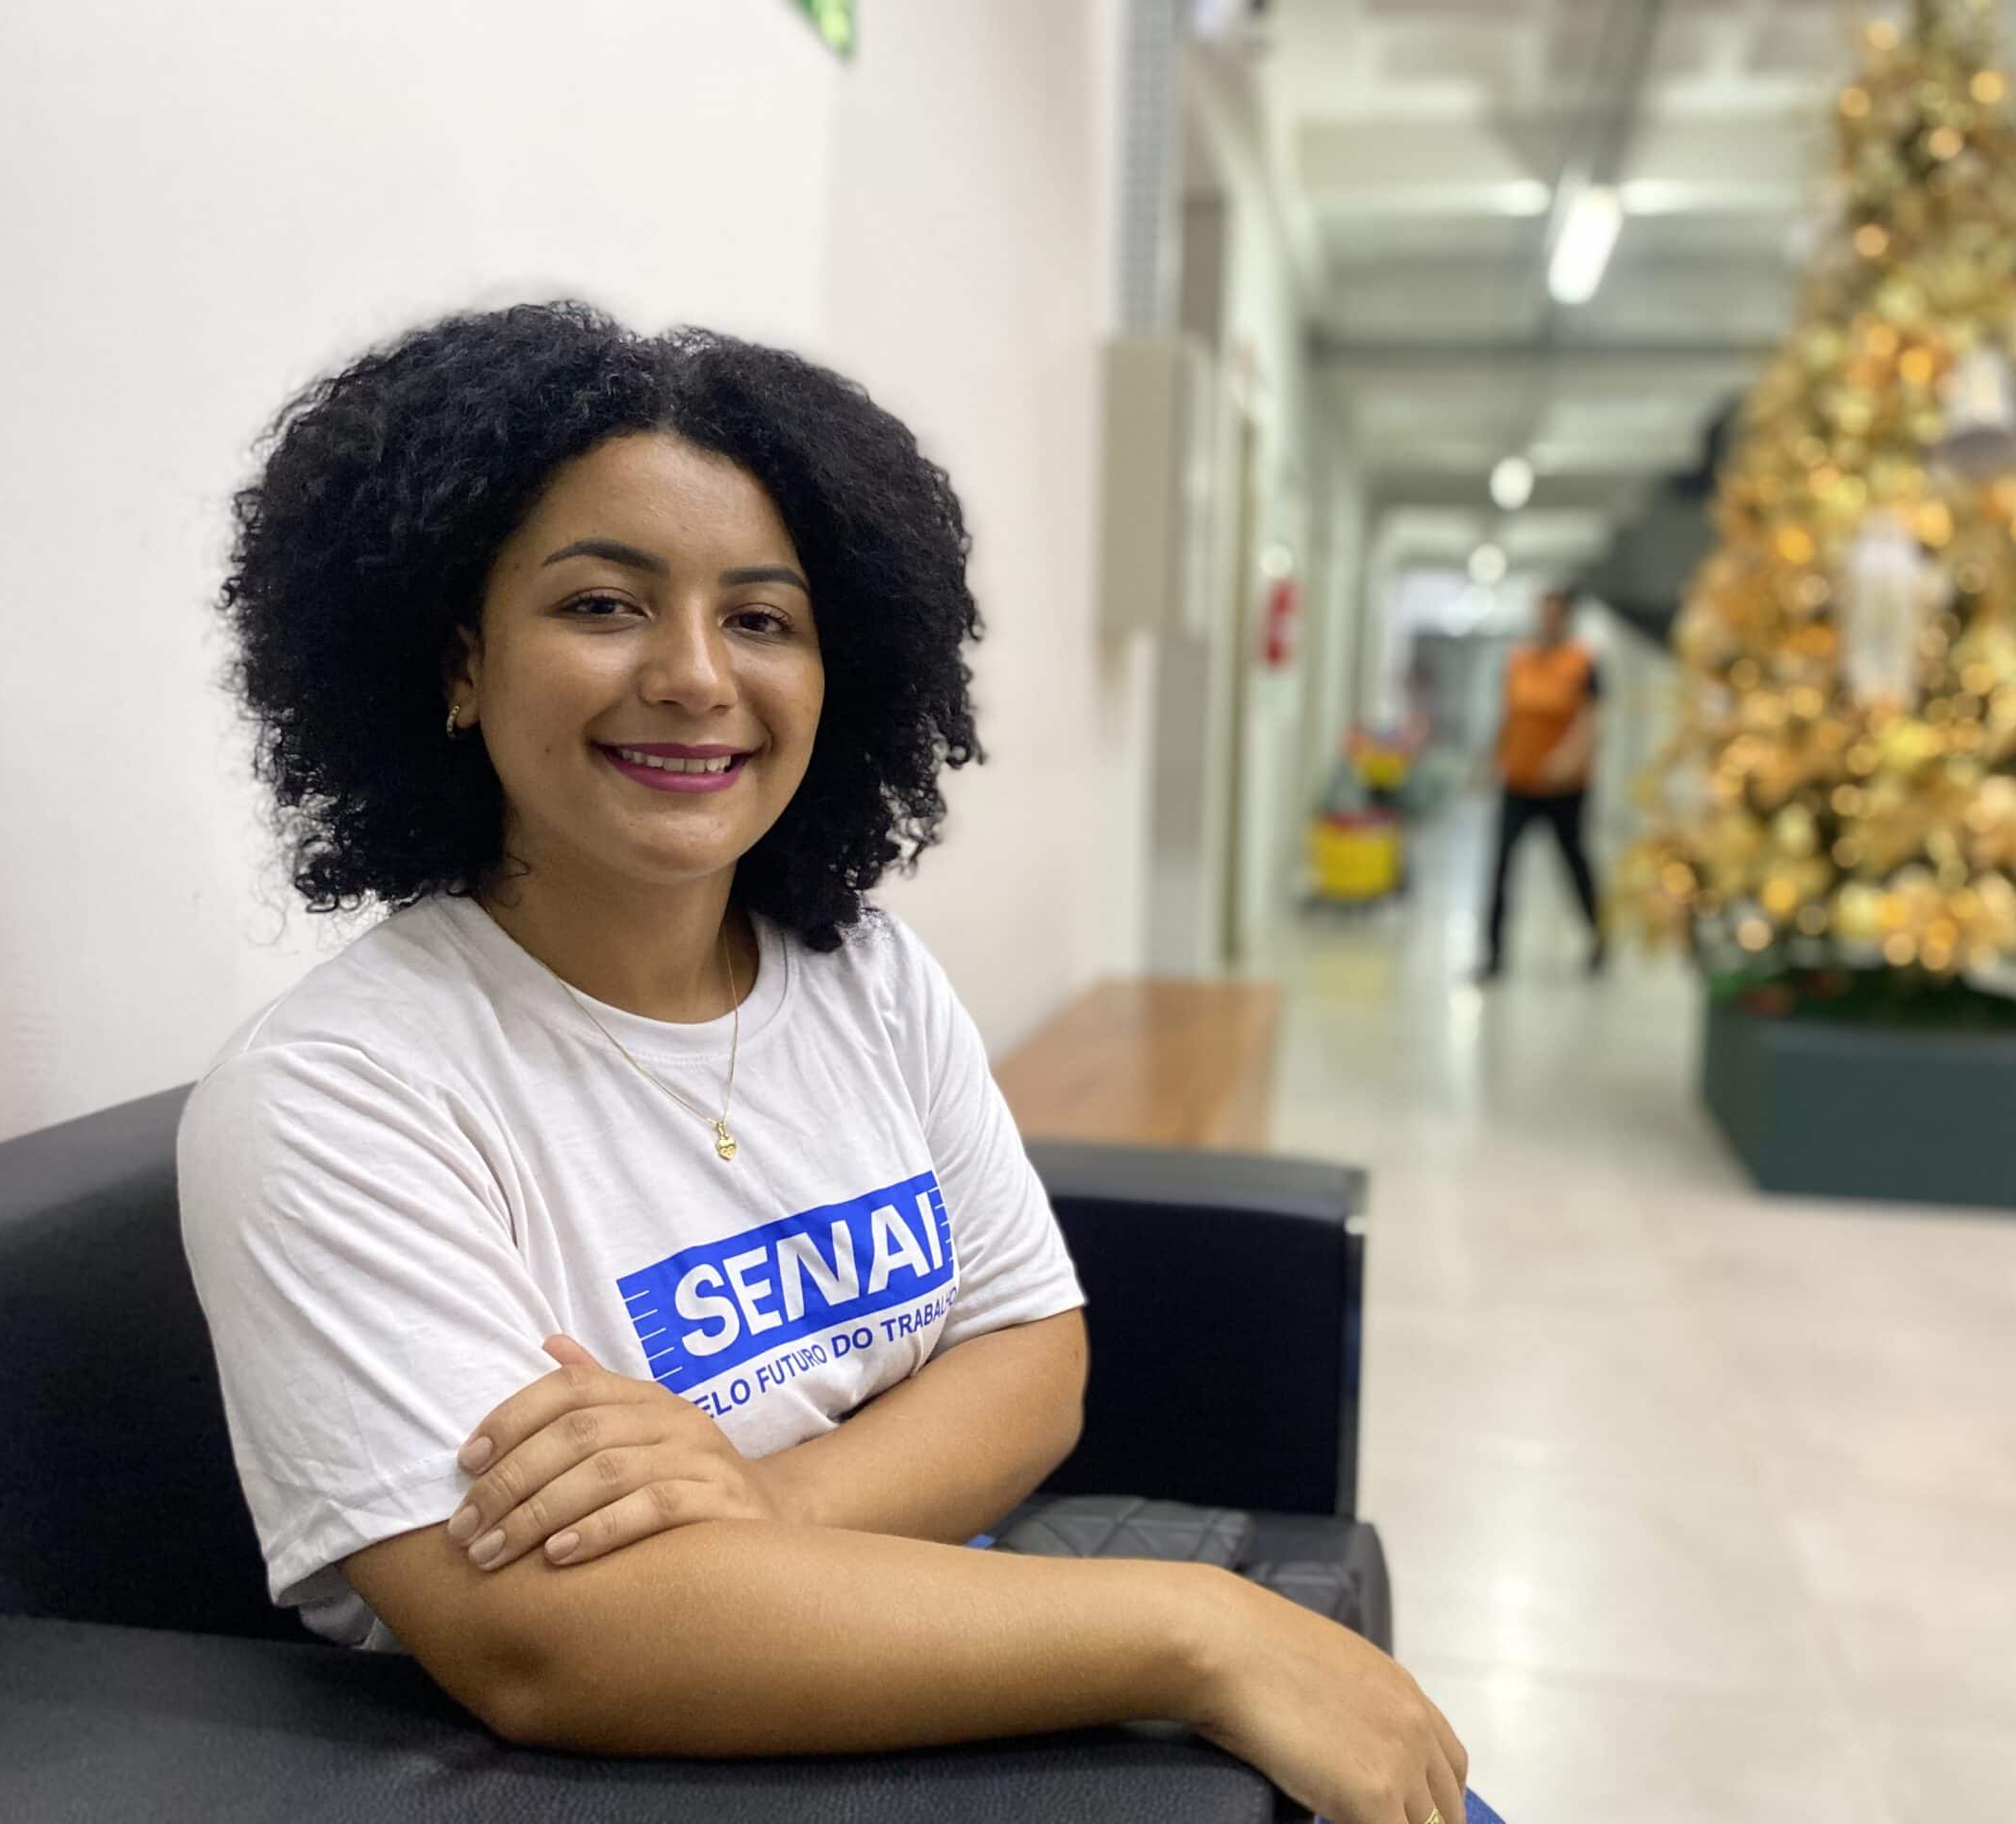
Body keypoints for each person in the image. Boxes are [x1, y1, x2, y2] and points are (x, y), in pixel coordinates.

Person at [175, 299, 1467, 1824]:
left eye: (763, 620)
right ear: (459, 661)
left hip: (924, 1659)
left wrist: (764, 1502)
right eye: (603, 604)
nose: (694, 676)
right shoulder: (337, 1095)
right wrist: (1203, 1631)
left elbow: (1030, 1355)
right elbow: (550, 1639)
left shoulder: (866, 976)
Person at [1476, 586, 1606, 981]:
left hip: (1564, 788)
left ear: (1566, 618)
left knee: (1574, 862)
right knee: (1501, 864)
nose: (1547, 620)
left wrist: (1569, 759)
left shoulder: (1582, 663)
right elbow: (1509, 717)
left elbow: (1591, 721)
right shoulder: (1519, 660)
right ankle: (1493, 954)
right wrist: (1490, 761)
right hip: (1519, 782)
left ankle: (1599, 937)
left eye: (1555, 613)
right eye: (1543, 612)